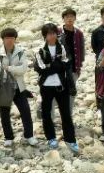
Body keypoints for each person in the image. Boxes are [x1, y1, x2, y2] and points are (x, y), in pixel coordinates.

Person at [33, 23, 78, 153]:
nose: (52, 36)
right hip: (46, 86)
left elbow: (66, 64)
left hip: (61, 85)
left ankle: (70, 139)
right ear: (45, 36)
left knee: (66, 114)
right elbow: (41, 69)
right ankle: (51, 137)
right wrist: (56, 65)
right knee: (47, 113)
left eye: (54, 33)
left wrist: (52, 66)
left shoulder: (61, 47)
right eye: (49, 34)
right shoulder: (40, 50)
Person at [0, 27, 36, 148]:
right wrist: (14, 69)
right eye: (7, 38)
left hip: (18, 87)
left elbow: (23, 69)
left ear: (15, 39)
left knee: (25, 111)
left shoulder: (20, 52)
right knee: (4, 114)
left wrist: (9, 68)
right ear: (3, 39)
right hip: (4, 87)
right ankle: (8, 137)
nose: (9, 40)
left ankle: (29, 135)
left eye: (12, 38)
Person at [60, 8, 85, 89]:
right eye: (67, 17)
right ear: (63, 19)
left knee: (71, 91)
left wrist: (80, 65)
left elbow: (82, 51)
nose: (69, 19)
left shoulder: (79, 33)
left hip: (74, 67)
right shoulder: (57, 32)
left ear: (75, 18)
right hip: (60, 68)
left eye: (71, 16)